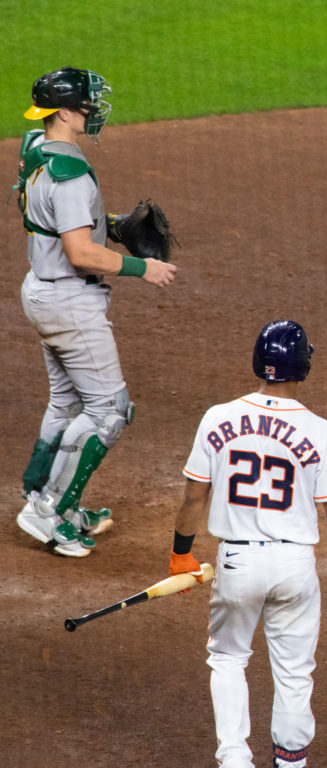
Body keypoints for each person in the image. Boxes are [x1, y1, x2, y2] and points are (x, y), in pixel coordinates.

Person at [169, 319, 327, 768]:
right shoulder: (323, 432)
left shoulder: (217, 417)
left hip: (237, 561)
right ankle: (291, 762)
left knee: (227, 658)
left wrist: (181, 553)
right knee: (295, 672)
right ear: (303, 367)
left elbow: (193, 496)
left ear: (260, 362)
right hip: (296, 565)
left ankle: (235, 758)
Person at [16, 66, 178, 557]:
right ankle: (47, 511)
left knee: (66, 403)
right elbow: (80, 253)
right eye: (86, 103)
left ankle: (45, 495)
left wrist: (103, 223)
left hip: (42, 292)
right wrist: (140, 267)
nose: (92, 109)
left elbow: (52, 220)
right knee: (108, 412)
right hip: (69, 301)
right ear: (64, 111)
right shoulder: (70, 176)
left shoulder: (35, 147)